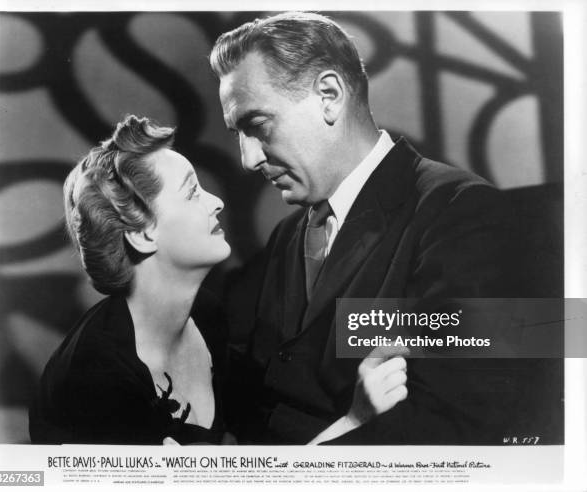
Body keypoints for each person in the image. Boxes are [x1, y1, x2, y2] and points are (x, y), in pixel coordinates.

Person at [209, 12, 543, 444]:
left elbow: (457, 423)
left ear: (329, 95)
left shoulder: (460, 211)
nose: (247, 158)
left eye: (256, 125)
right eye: (238, 133)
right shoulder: (288, 236)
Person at [28, 115, 408, 445]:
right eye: (193, 192)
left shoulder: (207, 313)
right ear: (143, 234)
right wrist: (354, 421)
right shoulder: (94, 380)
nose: (216, 201)